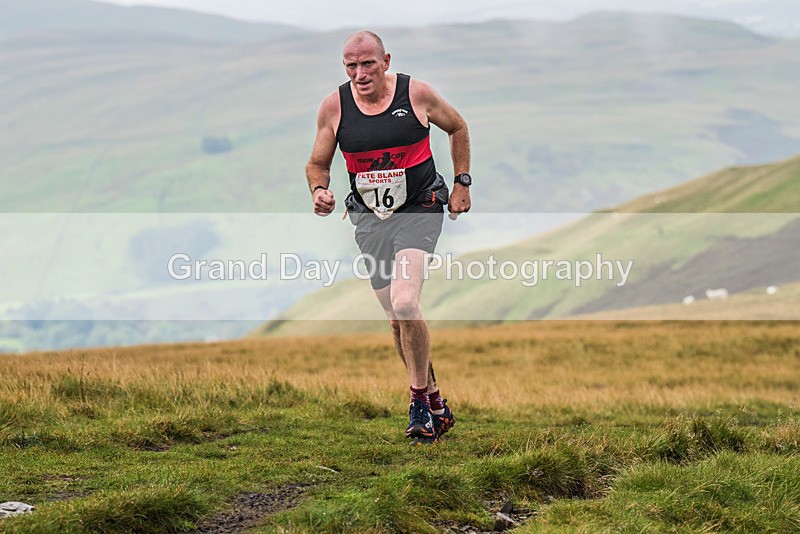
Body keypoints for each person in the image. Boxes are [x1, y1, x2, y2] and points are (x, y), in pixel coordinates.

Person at [305, 30, 471, 444]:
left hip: (420, 206)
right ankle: (435, 400)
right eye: (351, 66)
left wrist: (461, 183)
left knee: (405, 300)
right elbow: (317, 163)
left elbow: (457, 127)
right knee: (398, 319)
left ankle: (417, 402)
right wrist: (319, 191)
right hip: (369, 217)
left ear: (386, 61)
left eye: (368, 64)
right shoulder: (334, 106)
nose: (360, 74)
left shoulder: (416, 94)